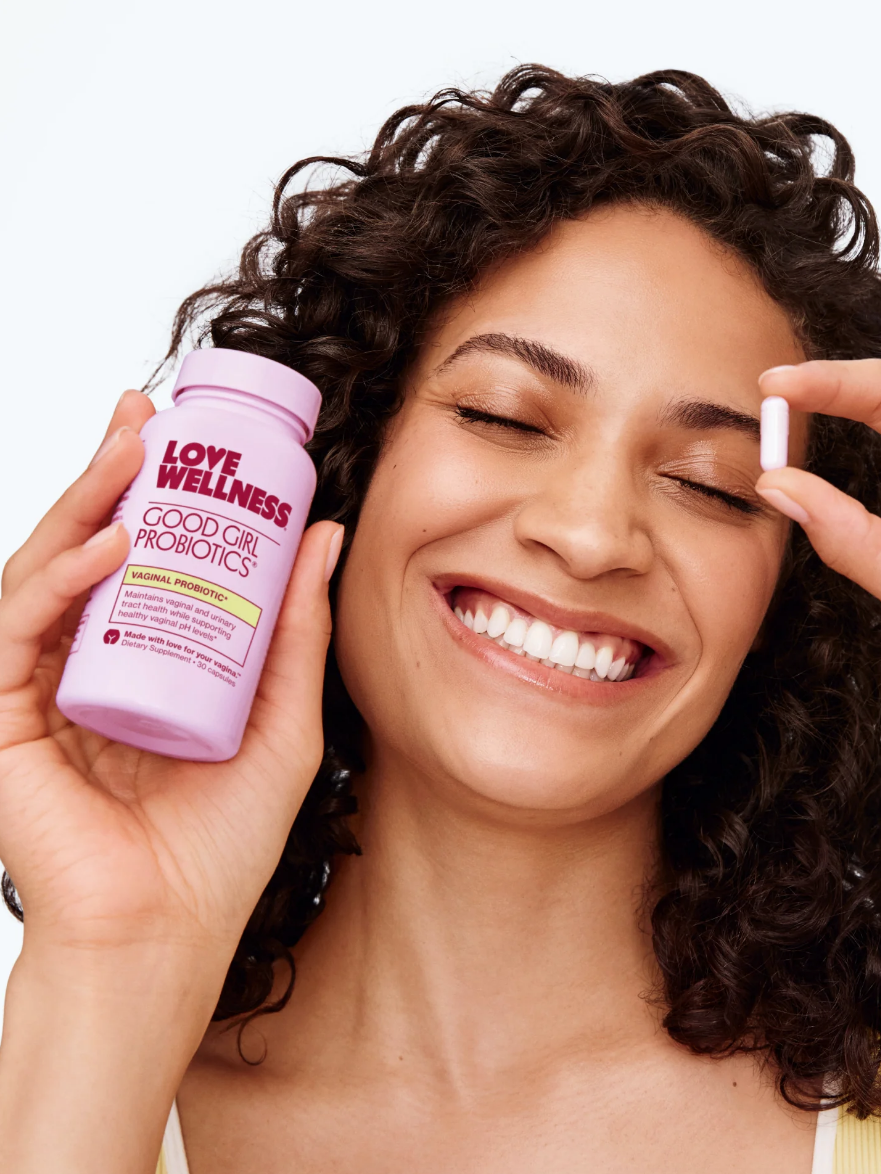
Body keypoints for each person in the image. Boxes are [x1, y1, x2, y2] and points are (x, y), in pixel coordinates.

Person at [2, 65, 881, 1174]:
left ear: (784, 600)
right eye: (501, 414)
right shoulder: (68, 1088)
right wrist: (111, 961)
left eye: (709, 484)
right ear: (342, 477)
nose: (590, 532)